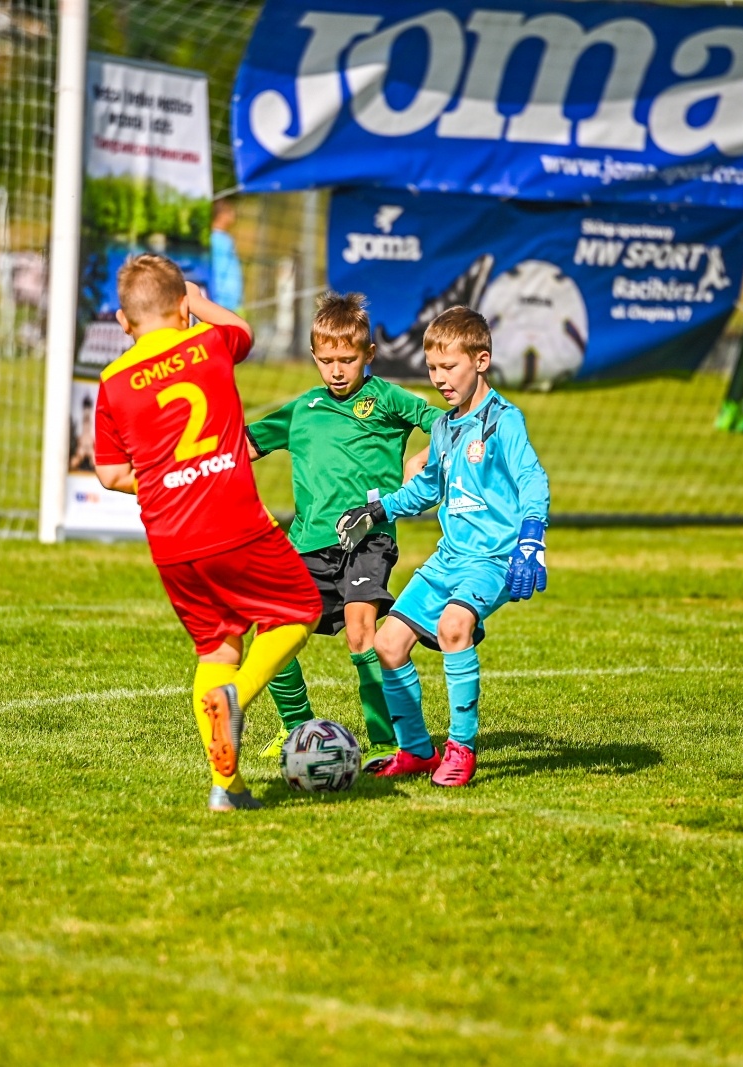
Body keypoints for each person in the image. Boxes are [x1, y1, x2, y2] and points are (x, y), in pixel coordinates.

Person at [92, 253, 321, 813]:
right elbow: (242, 328)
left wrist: (168, 481)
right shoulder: (211, 345)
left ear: (123, 323)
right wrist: (200, 301)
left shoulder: (112, 381)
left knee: (218, 644)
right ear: (181, 306)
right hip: (234, 520)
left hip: (171, 540)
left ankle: (229, 787)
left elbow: (111, 473)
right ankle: (236, 697)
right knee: (299, 611)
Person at [335, 306, 551, 788]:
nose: (440, 379)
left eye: (449, 367)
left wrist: (531, 536)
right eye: (432, 369)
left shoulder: (503, 421)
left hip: (492, 559)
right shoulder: (444, 427)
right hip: (447, 559)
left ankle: (462, 748)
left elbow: (532, 479)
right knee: (388, 644)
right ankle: (415, 751)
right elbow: (426, 487)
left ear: (481, 360)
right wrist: (378, 510)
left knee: (455, 627)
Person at [245, 292, 439, 770]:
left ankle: (382, 740)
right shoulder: (303, 408)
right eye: (327, 360)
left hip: (367, 537)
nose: (336, 370)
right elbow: (244, 446)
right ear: (313, 356)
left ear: (368, 355)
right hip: (308, 543)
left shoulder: (387, 398)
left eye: (347, 360)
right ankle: (296, 730)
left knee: (361, 631)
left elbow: (446, 422)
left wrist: (424, 457)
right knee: (272, 629)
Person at [209, 199, 243, 314]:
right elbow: (219, 269)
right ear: (221, 215)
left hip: (230, 303)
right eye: (230, 212)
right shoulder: (216, 239)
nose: (234, 215)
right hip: (221, 302)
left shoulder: (225, 239)